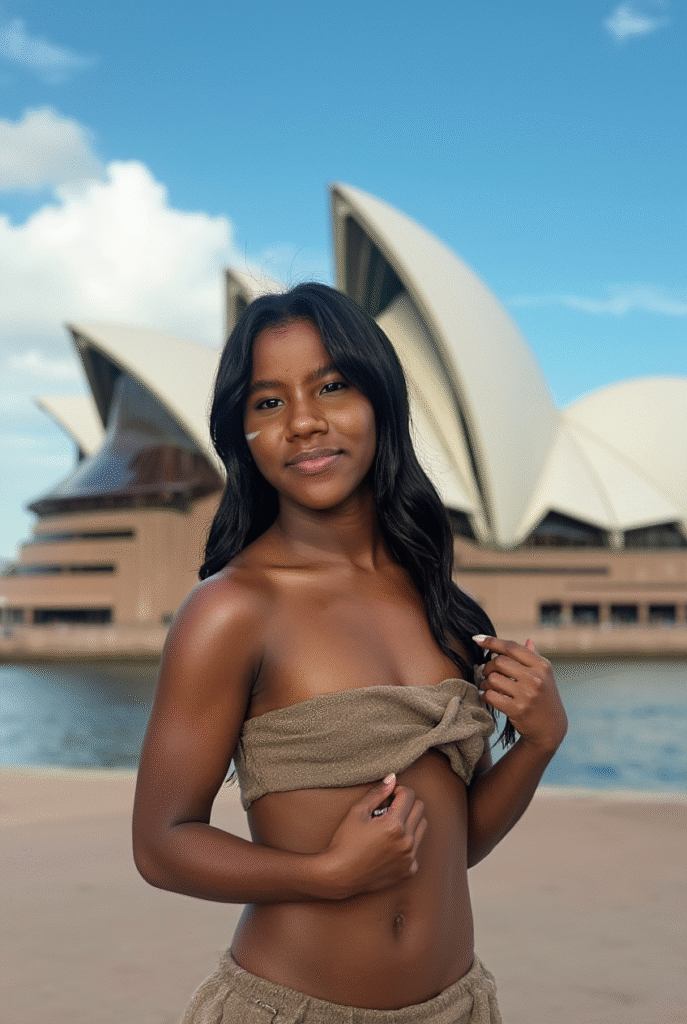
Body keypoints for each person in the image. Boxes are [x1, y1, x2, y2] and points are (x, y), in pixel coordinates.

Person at [132, 283, 568, 1023]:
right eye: (267, 403)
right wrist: (325, 875)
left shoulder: (434, 600)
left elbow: (454, 848)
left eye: (331, 386)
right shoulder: (232, 610)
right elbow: (162, 844)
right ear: (242, 435)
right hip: (294, 1006)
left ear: (379, 402)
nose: (303, 422)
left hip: (458, 1006)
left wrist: (538, 742)